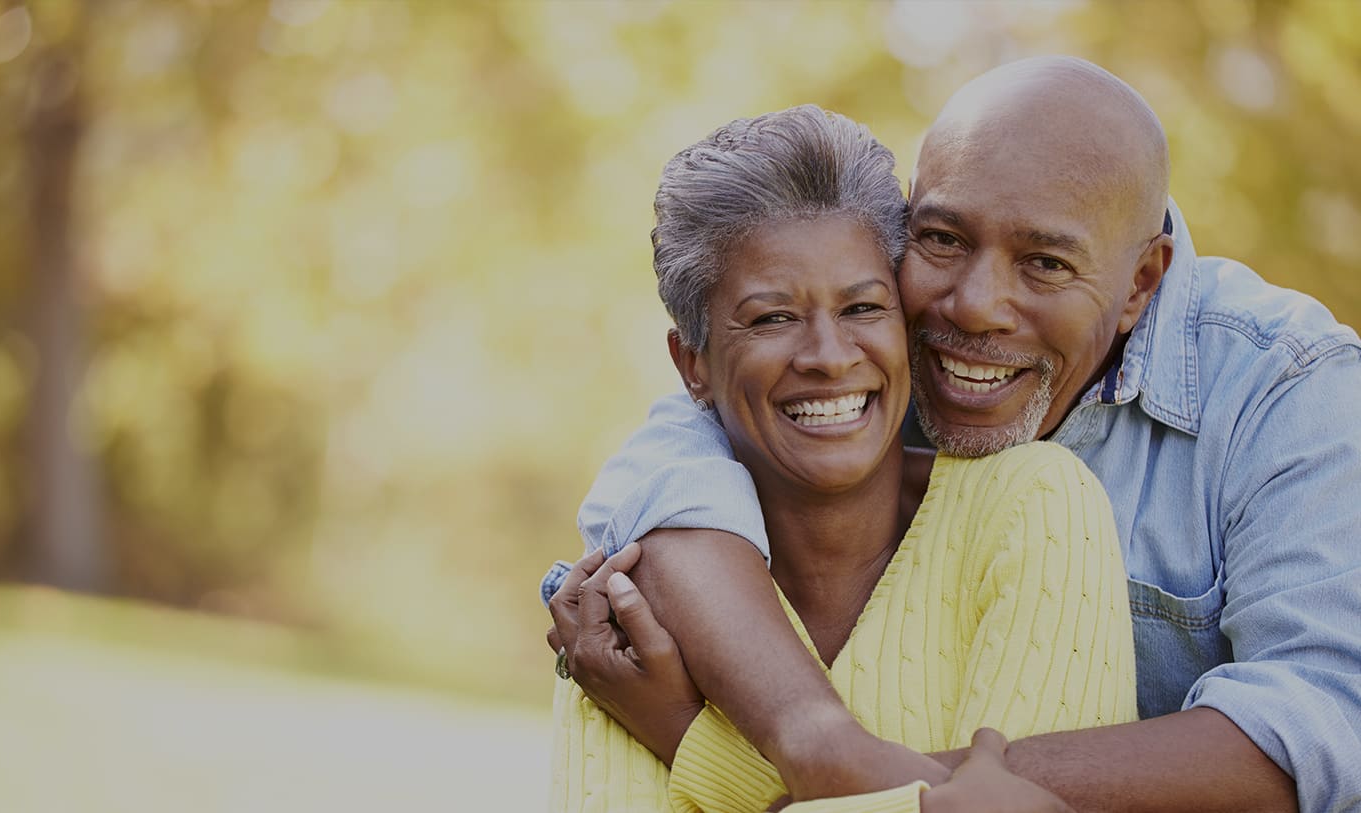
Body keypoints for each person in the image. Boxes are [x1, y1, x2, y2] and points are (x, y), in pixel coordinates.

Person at [546, 57, 1361, 812]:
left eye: (1044, 262)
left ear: (1140, 281)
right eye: (943, 239)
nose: (973, 306)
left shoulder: (1285, 387)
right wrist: (816, 743)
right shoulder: (869, 341)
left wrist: (731, 749)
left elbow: (1325, 722)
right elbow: (673, 464)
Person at [545, 104, 1137, 812]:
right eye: (772, 318)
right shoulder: (627, 608)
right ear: (693, 363)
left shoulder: (1032, 508)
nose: (828, 356)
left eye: (862, 308)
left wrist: (692, 741)